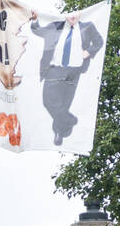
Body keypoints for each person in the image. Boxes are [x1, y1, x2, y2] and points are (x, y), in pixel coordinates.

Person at [28, 10, 104, 146]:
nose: (73, 16)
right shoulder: (55, 26)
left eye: (76, 13)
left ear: (81, 14)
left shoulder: (88, 26)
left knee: (64, 104)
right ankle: (69, 120)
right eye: (70, 14)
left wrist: (89, 52)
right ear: (65, 15)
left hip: (73, 71)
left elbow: (99, 41)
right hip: (54, 70)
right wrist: (34, 20)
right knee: (48, 101)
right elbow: (38, 31)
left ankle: (59, 133)